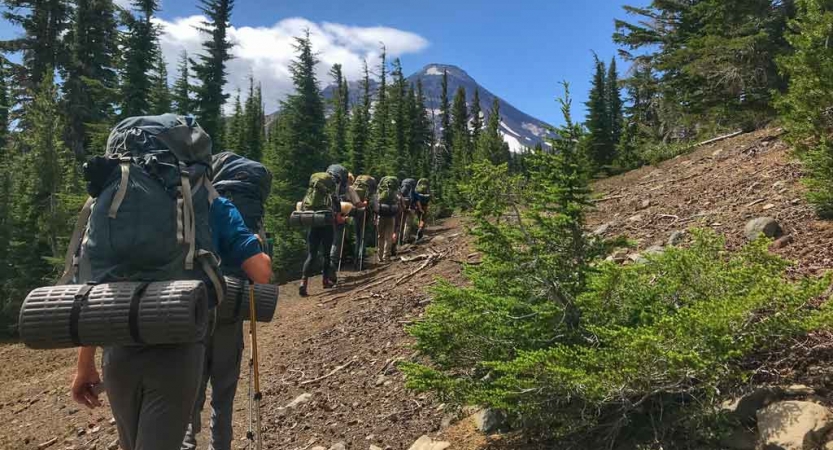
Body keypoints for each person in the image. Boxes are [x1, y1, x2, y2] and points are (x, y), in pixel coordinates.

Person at [71, 195, 272, 450]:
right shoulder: (210, 203)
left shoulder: (114, 203)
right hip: (180, 346)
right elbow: (261, 273)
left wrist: (85, 362)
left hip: (120, 343)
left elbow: (96, 286)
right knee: (215, 401)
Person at [182, 152, 273, 450]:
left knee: (188, 395)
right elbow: (261, 273)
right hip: (230, 306)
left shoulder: (200, 205)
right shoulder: (237, 212)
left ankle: (186, 443)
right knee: (223, 393)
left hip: (194, 308)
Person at [300, 172, 343, 297]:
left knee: (311, 255)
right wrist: (338, 214)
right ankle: (325, 281)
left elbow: (303, 205)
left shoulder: (312, 190)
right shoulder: (331, 192)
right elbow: (337, 207)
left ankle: (303, 282)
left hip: (313, 221)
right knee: (326, 254)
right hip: (326, 223)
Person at [329, 170, 366, 279]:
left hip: (330, 215)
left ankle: (330, 267)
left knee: (331, 240)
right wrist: (365, 204)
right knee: (338, 241)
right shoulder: (349, 189)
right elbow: (358, 204)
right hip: (344, 216)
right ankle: (334, 265)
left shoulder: (330, 188)